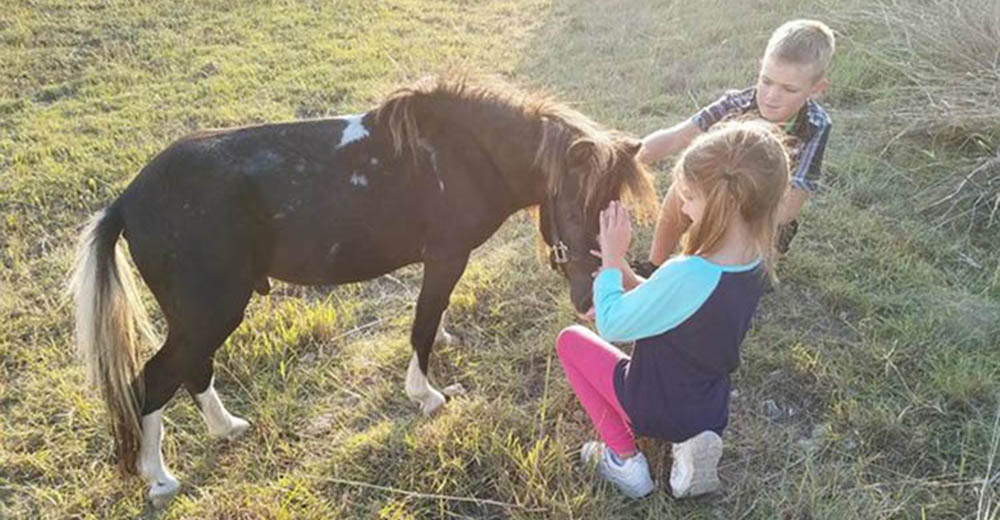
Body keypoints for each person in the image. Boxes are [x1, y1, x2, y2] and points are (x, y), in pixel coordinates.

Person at [555, 121, 789, 499]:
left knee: (570, 341)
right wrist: (630, 277)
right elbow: (686, 309)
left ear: (722, 203)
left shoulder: (689, 270)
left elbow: (613, 325)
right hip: (707, 404)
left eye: (689, 198)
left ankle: (624, 461)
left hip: (653, 402)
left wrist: (613, 264)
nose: (682, 206)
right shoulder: (755, 262)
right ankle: (689, 444)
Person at [633, 19, 834, 276]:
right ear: (759, 68)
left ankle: (714, 271)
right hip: (718, 194)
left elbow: (791, 205)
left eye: (789, 89)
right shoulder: (736, 103)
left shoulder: (816, 125)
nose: (772, 96)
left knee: (736, 277)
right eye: (767, 81)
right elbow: (676, 138)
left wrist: (723, 217)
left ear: (817, 89)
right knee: (680, 189)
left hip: (767, 214)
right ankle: (655, 266)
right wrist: (624, 158)